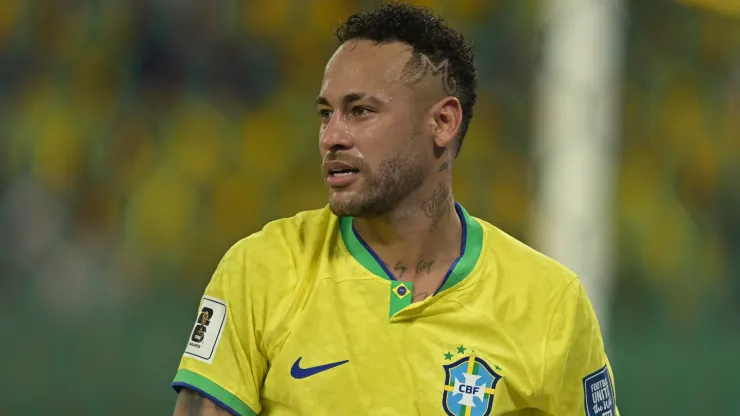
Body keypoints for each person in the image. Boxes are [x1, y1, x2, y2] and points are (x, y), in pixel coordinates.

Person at [172, 3, 619, 416]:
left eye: (361, 111)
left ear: (442, 122)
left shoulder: (549, 303)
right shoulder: (262, 270)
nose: (332, 137)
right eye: (326, 114)